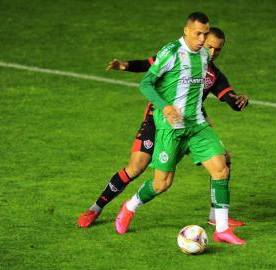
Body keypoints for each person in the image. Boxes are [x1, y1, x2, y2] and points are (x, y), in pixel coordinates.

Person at [77, 26, 249, 230]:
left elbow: (228, 97)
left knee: (222, 160)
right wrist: (126, 66)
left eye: (217, 49)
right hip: (157, 119)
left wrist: (239, 100)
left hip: (189, 124)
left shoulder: (212, 74)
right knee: (136, 167)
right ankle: (96, 208)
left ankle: (216, 216)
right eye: (209, 46)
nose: (212, 53)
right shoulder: (178, 54)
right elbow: (151, 64)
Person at [114, 12, 246, 245]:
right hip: (171, 128)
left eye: (205, 34)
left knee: (221, 168)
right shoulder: (171, 52)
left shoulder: (205, 55)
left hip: (196, 126)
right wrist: (164, 107)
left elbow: (208, 89)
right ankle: (129, 206)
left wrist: (233, 101)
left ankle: (222, 229)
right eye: (198, 33)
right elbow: (146, 83)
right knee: (162, 184)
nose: (202, 39)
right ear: (186, 31)